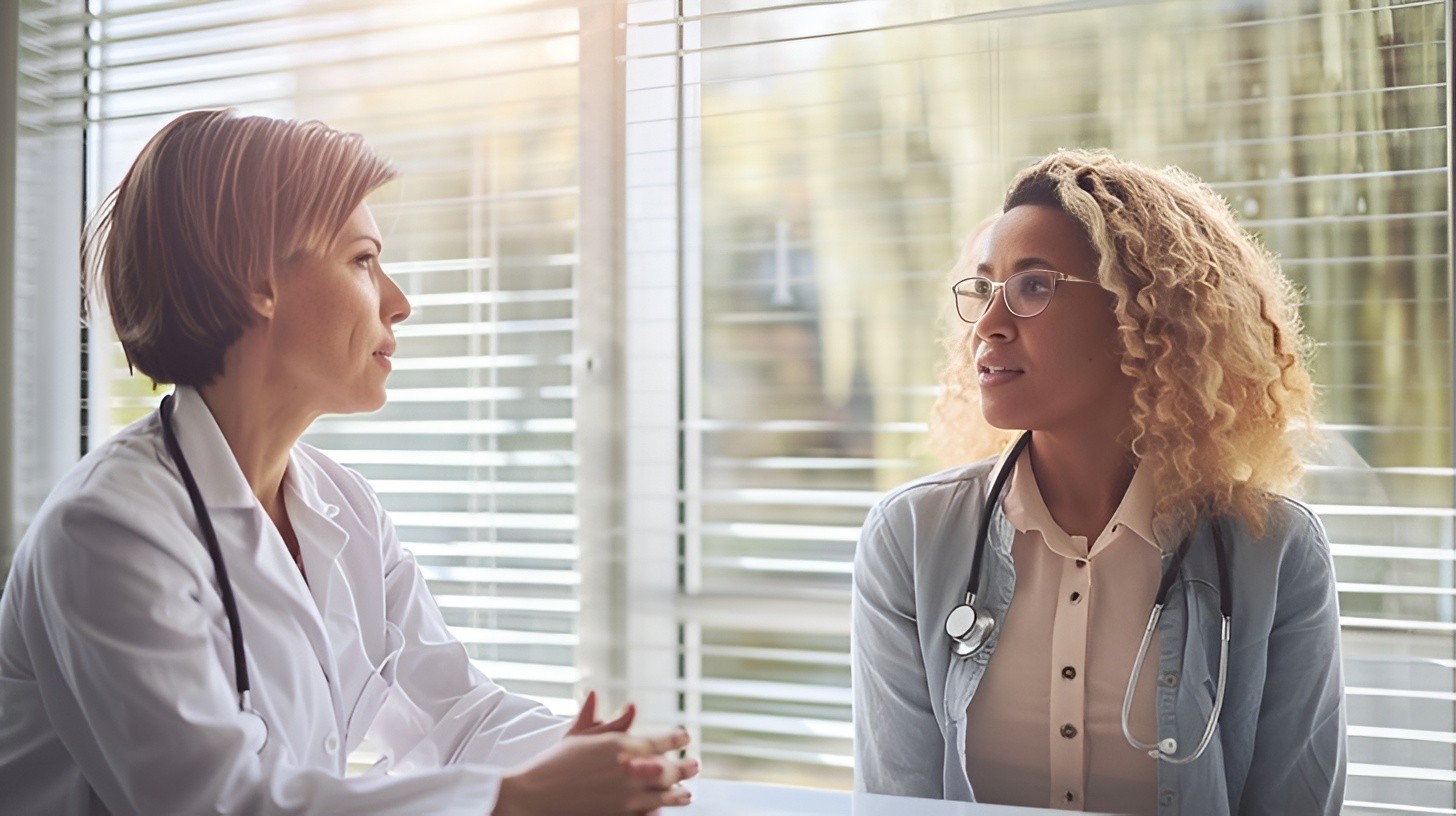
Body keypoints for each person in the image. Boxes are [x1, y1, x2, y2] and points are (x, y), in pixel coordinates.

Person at [0, 109, 698, 816]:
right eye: (363, 260)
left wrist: (582, 757)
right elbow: (218, 804)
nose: (399, 303)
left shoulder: (345, 507)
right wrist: (513, 801)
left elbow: (455, 715)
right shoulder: (106, 532)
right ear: (256, 281)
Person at [851, 149, 1346, 814]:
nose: (987, 328)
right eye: (982, 290)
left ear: (1141, 312)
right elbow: (895, 804)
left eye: (1032, 286)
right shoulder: (911, 537)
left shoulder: (1273, 549)